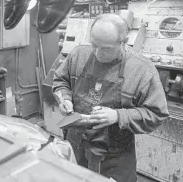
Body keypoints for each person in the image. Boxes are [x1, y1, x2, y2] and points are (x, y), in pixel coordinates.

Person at [52, 13, 169, 182]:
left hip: (115, 156)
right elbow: (60, 81)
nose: (97, 53)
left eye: (106, 48)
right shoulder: (79, 55)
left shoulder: (141, 70)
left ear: (124, 41)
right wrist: (65, 99)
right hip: (75, 144)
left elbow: (157, 114)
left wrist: (118, 116)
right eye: (94, 44)